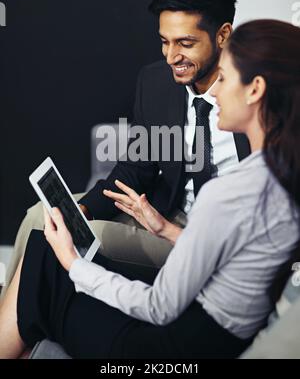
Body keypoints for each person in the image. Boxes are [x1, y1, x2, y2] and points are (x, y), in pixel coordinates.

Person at [0, 19, 299, 359]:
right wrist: (166, 229)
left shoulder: (229, 192)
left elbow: (159, 308)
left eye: (225, 78)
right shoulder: (280, 177)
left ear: (255, 89)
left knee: (48, 263)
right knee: (42, 253)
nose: (214, 90)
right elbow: (242, 260)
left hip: (169, 345)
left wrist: (73, 263)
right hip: (212, 332)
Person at [2, 0, 250, 294]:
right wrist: (84, 211)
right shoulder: (156, 82)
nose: (171, 56)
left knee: (88, 241)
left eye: (186, 43)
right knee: (43, 215)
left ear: (222, 35)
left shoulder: (255, 93)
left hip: (215, 238)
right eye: (165, 41)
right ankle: (9, 318)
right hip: (164, 214)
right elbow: (136, 169)